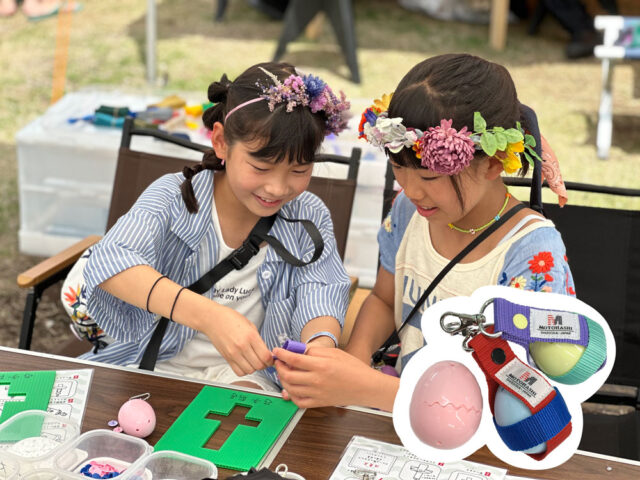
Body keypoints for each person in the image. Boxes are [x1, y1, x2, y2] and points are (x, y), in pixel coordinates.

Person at [273, 53, 576, 411]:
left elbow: (520, 395)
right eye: (399, 169)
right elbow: (385, 300)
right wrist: (350, 364)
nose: (412, 190)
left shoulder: (532, 254)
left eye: (430, 177)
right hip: (399, 415)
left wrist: (362, 386)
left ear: (493, 163)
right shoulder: (408, 210)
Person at [76, 62, 352, 392]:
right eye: (261, 166)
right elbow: (111, 262)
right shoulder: (174, 197)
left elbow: (321, 291)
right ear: (221, 142)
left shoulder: (308, 215)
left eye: (299, 170)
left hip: (248, 379)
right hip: (152, 366)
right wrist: (210, 316)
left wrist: (319, 347)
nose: (278, 188)